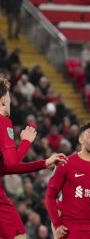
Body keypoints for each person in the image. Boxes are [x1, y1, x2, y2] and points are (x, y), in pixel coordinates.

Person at [0, 77, 68, 239]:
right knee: (19, 235)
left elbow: (4, 168)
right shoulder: (2, 121)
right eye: (9, 98)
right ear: (3, 100)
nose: (10, 102)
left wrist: (44, 163)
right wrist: (25, 142)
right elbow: (11, 163)